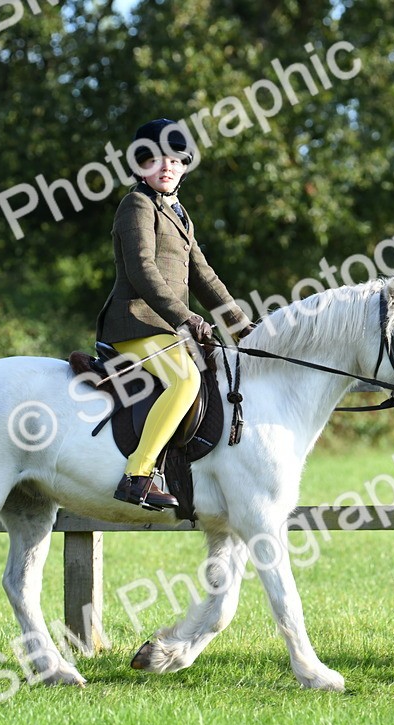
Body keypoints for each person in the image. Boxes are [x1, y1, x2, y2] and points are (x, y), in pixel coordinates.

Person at [95, 118, 254, 510]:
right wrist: (186, 317)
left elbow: (203, 276)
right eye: (155, 158)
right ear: (139, 165)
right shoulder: (136, 205)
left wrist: (241, 327)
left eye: (176, 159)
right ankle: (138, 475)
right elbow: (142, 271)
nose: (166, 166)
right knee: (185, 380)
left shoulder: (179, 214)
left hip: (166, 329)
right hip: (134, 324)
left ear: (185, 166)